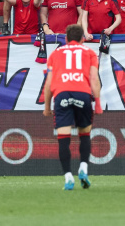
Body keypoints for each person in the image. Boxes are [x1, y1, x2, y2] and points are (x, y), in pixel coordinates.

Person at [43, 23, 102, 190]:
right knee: (85, 134)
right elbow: (94, 79)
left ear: (66, 39)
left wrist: (47, 106)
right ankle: (83, 168)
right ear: (83, 39)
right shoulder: (89, 52)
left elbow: (49, 83)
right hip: (82, 93)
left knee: (64, 137)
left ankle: (68, 176)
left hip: (61, 94)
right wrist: (97, 103)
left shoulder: (55, 54)